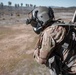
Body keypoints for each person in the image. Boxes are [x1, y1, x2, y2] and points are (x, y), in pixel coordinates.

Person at [26, 6, 76, 75]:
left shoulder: (48, 33)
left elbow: (41, 59)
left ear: (42, 18)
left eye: (35, 22)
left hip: (72, 69)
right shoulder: (60, 25)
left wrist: (35, 52)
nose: (35, 25)